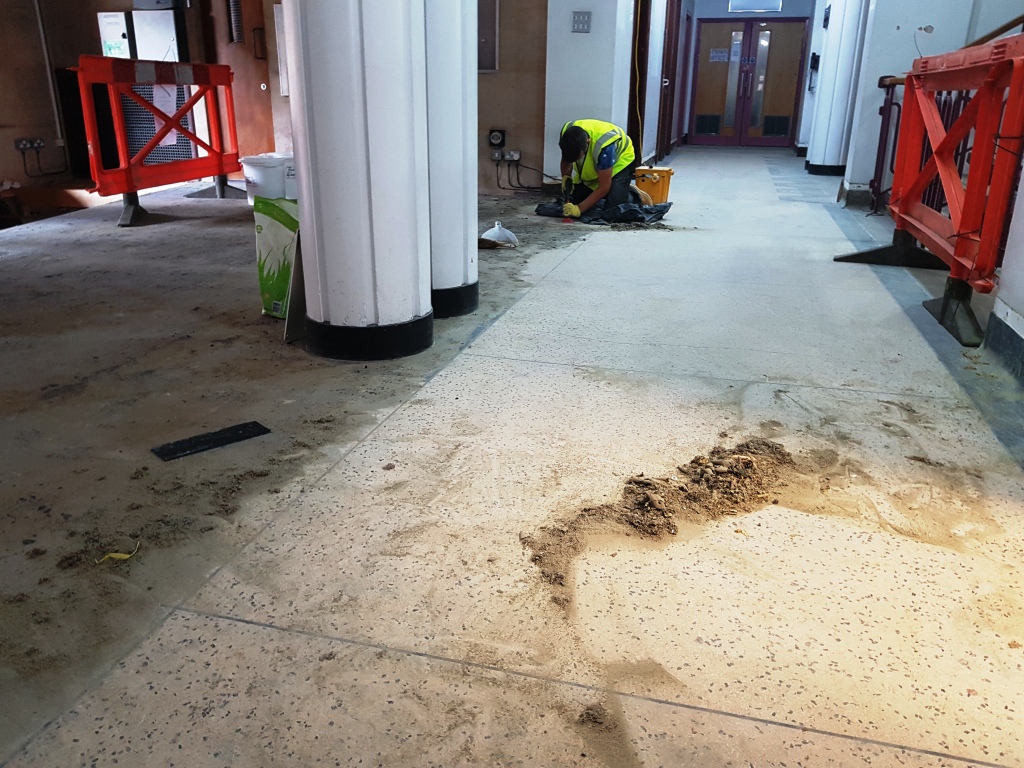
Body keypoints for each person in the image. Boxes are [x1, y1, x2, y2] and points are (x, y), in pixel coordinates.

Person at [559, 119, 637, 219]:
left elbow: (604, 186)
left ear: (588, 143)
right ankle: (614, 189)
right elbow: (566, 158)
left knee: (614, 209)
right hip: (600, 164)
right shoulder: (567, 133)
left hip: (621, 159)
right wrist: (566, 176)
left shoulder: (605, 146)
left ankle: (631, 192)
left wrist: (579, 209)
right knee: (576, 198)